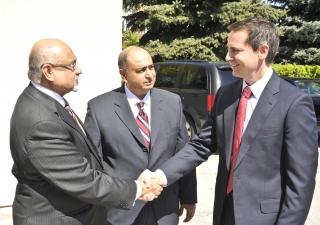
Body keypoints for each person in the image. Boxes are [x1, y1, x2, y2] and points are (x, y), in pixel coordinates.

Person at [145, 17, 319, 225]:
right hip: (224, 214)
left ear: (262, 51)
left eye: (235, 50)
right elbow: (201, 145)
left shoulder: (294, 103)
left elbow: (301, 182)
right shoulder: (225, 95)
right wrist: (161, 175)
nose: (228, 57)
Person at [10, 39, 164, 225]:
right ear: (48, 71)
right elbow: (82, 180)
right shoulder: (41, 121)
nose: (79, 69)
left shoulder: (47, 101)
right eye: (72, 65)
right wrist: (138, 189)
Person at [84, 46, 197, 225]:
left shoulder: (172, 102)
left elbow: (183, 153)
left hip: (165, 210)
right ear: (124, 74)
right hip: (120, 211)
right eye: (141, 70)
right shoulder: (99, 108)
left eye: (151, 67)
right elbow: (93, 164)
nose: (149, 74)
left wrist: (189, 197)